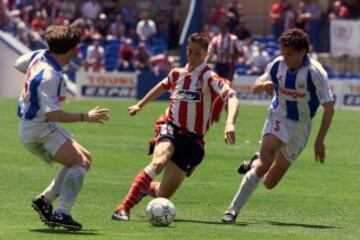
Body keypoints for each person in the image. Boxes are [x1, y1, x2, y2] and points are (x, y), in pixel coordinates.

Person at [112, 32, 240, 221]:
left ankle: (147, 186)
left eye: (197, 53)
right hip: (170, 126)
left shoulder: (209, 77)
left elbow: (232, 97)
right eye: (190, 51)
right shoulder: (176, 73)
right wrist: (140, 104)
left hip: (192, 141)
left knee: (163, 194)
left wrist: (229, 123)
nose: (192, 56)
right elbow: (162, 86)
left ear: (205, 54)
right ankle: (123, 208)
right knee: (159, 160)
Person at [221, 28, 334, 223]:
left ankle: (256, 159)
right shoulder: (277, 65)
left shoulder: (315, 73)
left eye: (289, 54)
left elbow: (329, 109)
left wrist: (319, 141)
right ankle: (233, 210)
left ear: (302, 52)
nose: (285, 57)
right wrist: (263, 86)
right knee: (264, 165)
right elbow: (255, 87)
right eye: (283, 52)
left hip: (301, 127)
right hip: (278, 116)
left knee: (269, 183)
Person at [15, 25, 110, 230]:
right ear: (71, 49)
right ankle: (62, 212)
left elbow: (18, 63)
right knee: (81, 162)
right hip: (39, 129)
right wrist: (86, 117)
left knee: (84, 158)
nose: (77, 50)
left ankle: (45, 200)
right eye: (76, 46)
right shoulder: (50, 75)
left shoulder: (40, 55)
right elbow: (53, 113)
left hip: (35, 126)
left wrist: (32, 81)